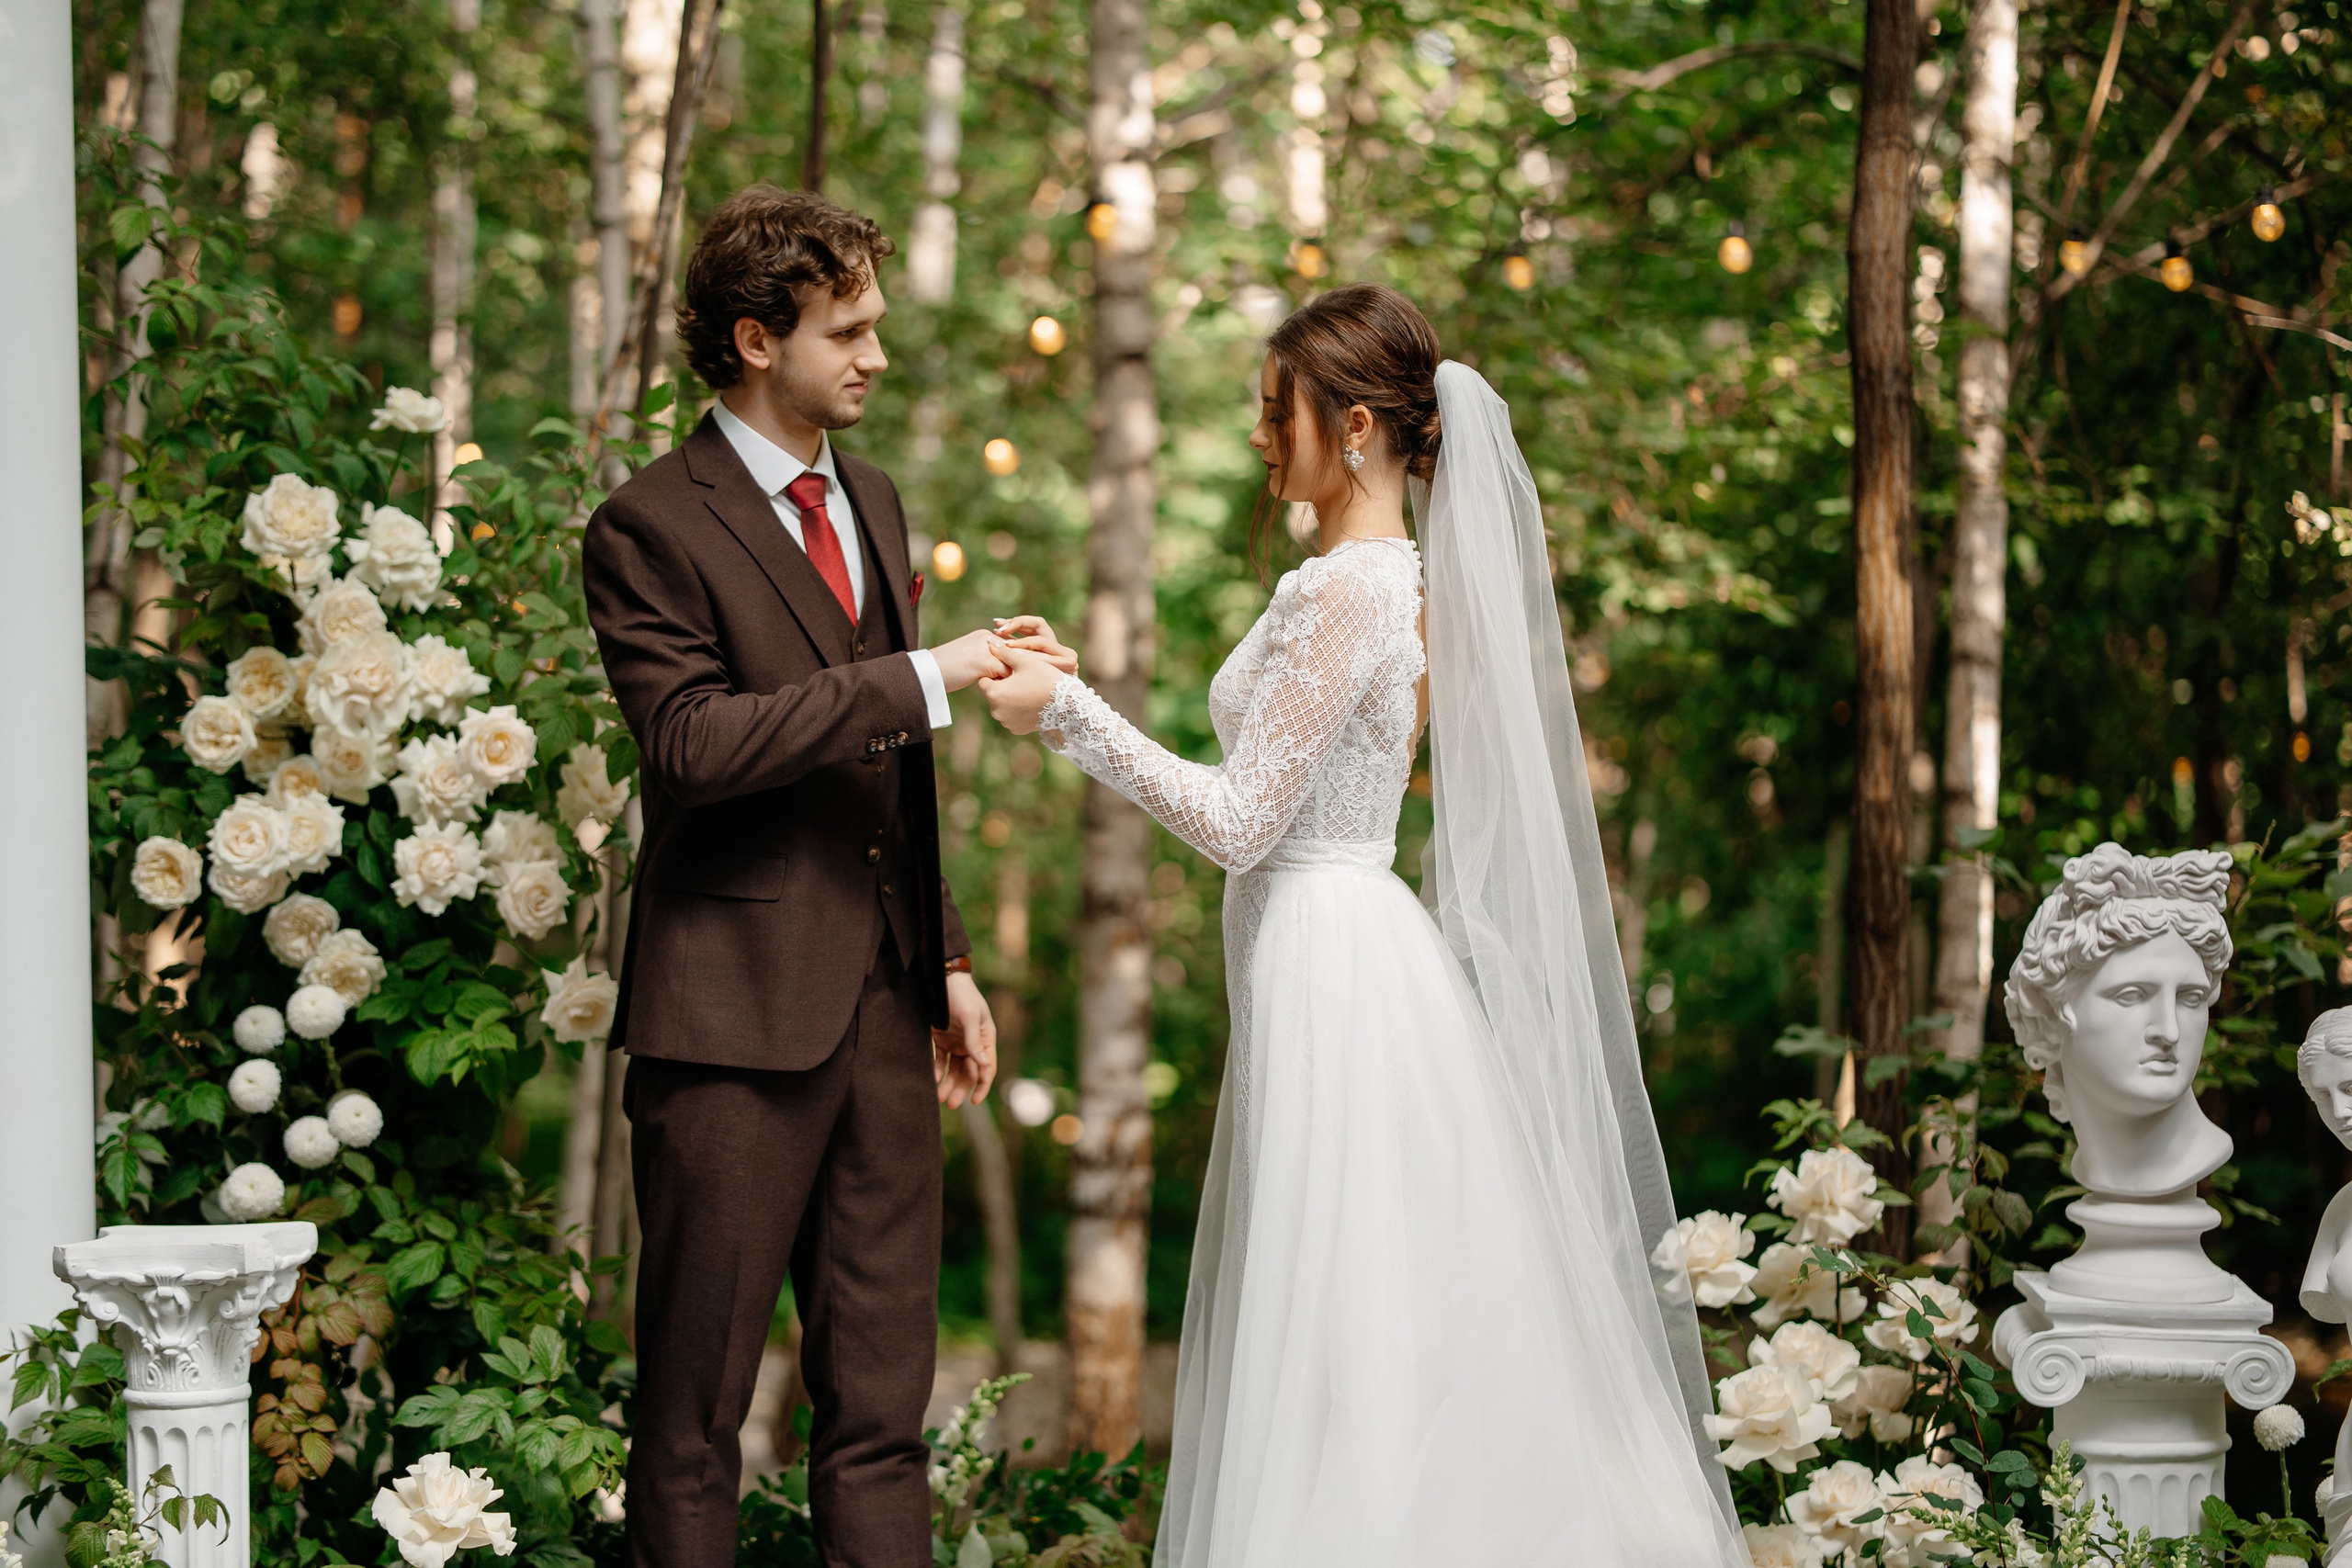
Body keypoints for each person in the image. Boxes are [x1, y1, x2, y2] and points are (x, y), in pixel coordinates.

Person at [980, 282, 1748, 1565]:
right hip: (1334, 949)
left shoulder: (1351, 591)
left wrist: (1066, 718)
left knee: (1350, 1317)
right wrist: (1077, 685)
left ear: (1348, 428)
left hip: (1338, 965)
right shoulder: (1354, 578)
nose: (1255, 437)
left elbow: (1239, 823)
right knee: (1367, 1311)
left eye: (1271, 411)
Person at [582, 184, 1013, 1568]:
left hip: (887, 1016)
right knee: (694, 1416)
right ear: (758, 339)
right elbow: (694, 747)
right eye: (849, 330)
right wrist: (918, 677)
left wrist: (943, 957)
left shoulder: (874, 499)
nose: (875, 354)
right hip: (727, 1027)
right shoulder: (647, 525)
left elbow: (887, 773)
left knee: (884, 1409)